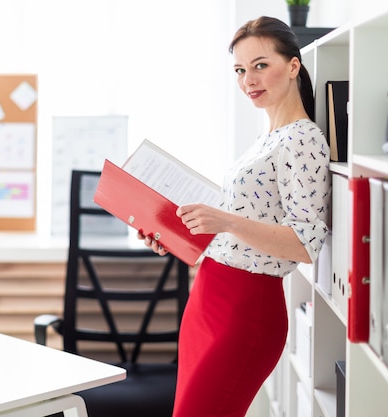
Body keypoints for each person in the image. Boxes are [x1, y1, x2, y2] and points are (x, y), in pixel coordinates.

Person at [138, 16, 331, 417]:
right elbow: (242, 235)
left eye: (260, 65)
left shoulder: (304, 139)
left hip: (246, 309)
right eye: (241, 70)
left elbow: (306, 243)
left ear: (293, 66)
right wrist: (173, 234)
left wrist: (224, 221)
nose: (248, 80)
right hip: (209, 296)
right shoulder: (267, 138)